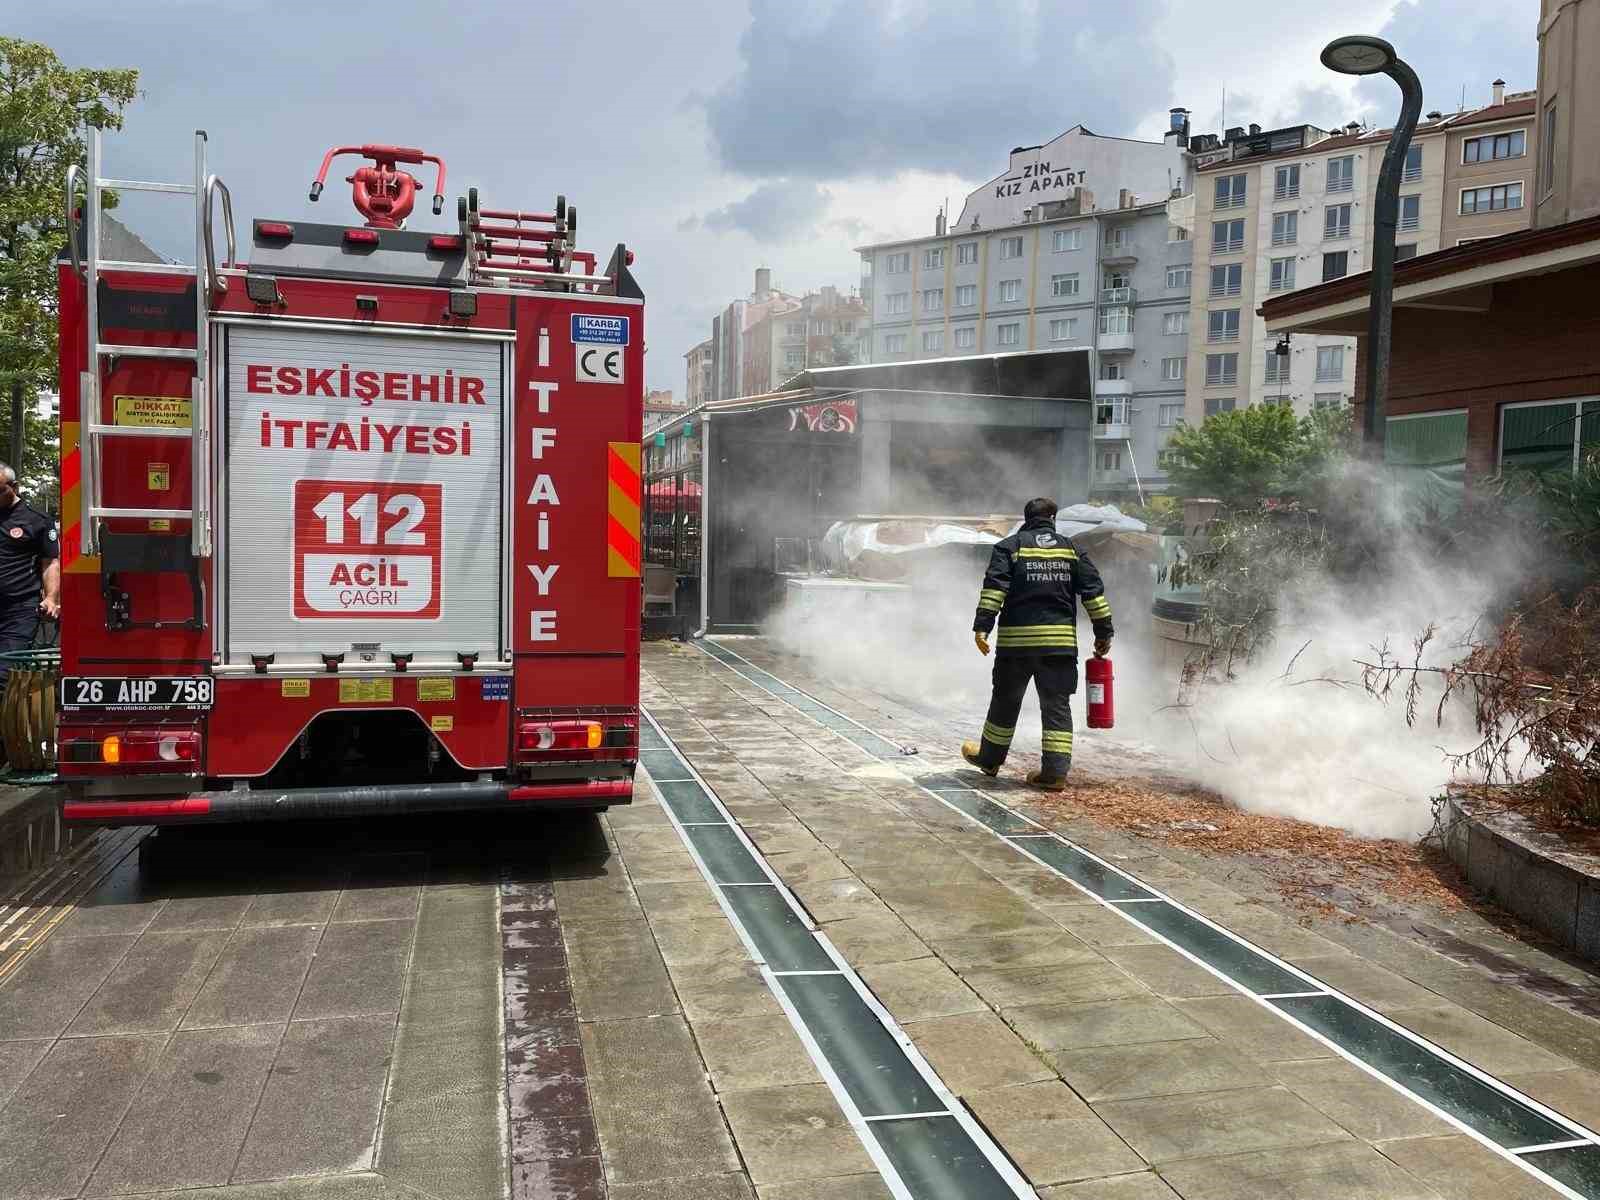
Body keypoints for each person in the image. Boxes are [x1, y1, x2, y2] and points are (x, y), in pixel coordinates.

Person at [962, 497, 1112, 790]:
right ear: (1053, 519)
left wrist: (983, 627)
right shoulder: (1072, 550)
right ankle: (1054, 773)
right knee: (1056, 705)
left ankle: (990, 759)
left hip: (1016, 646)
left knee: (1006, 700)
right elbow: (1093, 594)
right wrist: (1104, 633)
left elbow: (995, 590)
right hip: (1059, 646)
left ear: (1026, 518)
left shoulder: (1009, 547)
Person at [0, 462, 60, 698]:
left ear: (14, 487)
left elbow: (50, 564)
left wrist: (52, 598)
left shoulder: (37, 520)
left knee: (3, 674)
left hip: (18, 610)